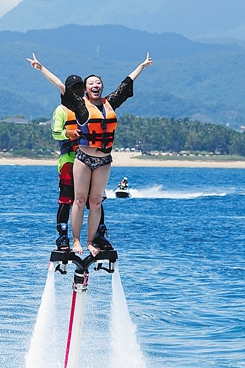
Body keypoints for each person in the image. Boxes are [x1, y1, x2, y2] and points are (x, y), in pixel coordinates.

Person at [28, 52, 153, 255]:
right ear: (86, 90)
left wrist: (141, 66)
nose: (95, 85)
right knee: (79, 200)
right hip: (84, 158)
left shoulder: (109, 103)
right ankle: (75, 240)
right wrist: (41, 68)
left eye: (98, 83)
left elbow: (126, 84)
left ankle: (90, 242)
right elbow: (60, 85)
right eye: (91, 83)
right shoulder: (80, 105)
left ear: (101, 87)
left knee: (95, 202)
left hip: (104, 160)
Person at [49, 74, 111, 251]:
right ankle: (63, 236)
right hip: (69, 159)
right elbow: (55, 132)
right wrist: (67, 133)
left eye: (79, 88)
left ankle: (99, 235)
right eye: (73, 89)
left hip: (91, 160)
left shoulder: (91, 108)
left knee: (96, 200)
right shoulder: (61, 110)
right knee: (66, 199)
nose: (77, 92)